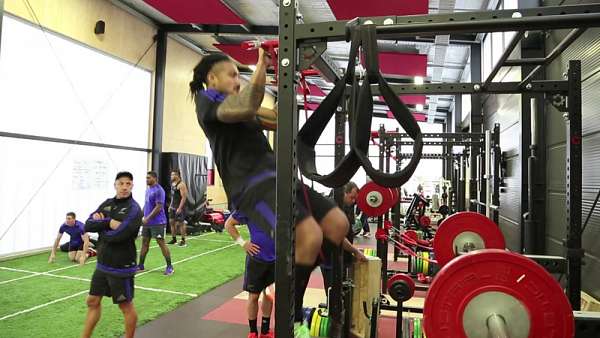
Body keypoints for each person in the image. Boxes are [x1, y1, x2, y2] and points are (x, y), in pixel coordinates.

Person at [190, 51, 349, 337]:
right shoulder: (208, 102)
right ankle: (293, 317)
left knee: (338, 224)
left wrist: (290, 74)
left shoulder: (245, 112)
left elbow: (278, 118)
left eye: (239, 75)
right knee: (309, 235)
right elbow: (249, 103)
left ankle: (297, 287)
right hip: (251, 187)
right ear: (211, 78)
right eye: (232, 74)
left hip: (279, 178)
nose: (238, 80)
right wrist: (263, 63)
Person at [81, 171, 142, 338]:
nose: (124, 187)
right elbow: (88, 224)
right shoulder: (107, 203)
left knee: (125, 307)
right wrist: (108, 222)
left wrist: (102, 228)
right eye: (121, 183)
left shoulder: (134, 209)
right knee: (92, 301)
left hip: (121, 266)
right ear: (115, 184)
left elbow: (123, 234)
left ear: (132, 186)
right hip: (102, 264)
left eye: (128, 183)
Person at [225, 212, 274, 338]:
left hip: (275, 260)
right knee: (253, 297)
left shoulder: (278, 203)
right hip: (256, 260)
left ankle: (265, 331)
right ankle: (253, 332)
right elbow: (229, 224)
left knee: (268, 295)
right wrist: (243, 243)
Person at [138, 171, 174, 275]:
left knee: (161, 243)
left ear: (155, 178)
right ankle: (140, 265)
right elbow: (146, 204)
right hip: (147, 223)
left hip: (158, 222)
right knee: (145, 243)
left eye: (148, 178)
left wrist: (147, 218)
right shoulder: (148, 190)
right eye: (146, 178)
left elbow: (159, 207)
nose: (146, 180)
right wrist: (140, 215)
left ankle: (169, 267)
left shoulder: (159, 190)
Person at [167, 169, 189, 247]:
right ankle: (174, 239)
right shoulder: (173, 184)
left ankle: (183, 240)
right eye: (171, 175)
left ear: (177, 175)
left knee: (181, 224)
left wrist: (179, 208)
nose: (171, 176)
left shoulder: (181, 184)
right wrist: (170, 206)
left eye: (173, 175)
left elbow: (184, 197)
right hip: (173, 207)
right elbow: (173, 197)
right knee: (171, 222)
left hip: (180, 207)